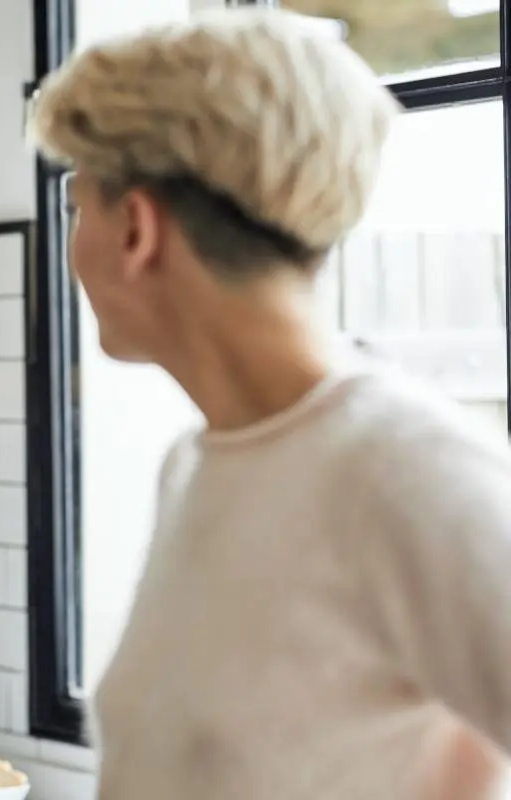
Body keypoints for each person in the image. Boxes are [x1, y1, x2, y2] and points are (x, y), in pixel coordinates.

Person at [28, 7, 511, 800]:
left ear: (137, 230)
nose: (72, 243)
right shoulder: (195, 465)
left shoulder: (408, 471)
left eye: (80, 204)